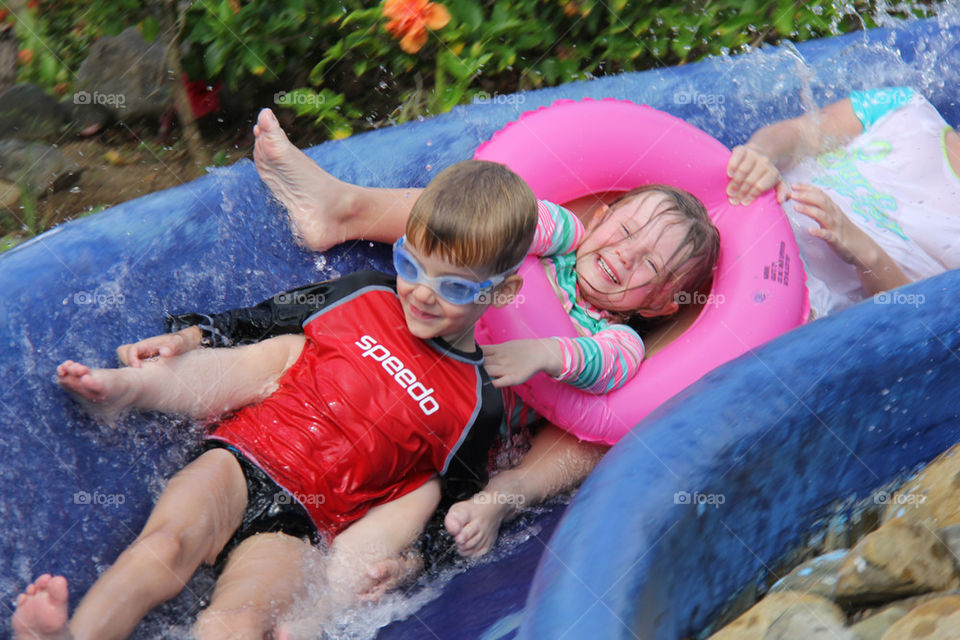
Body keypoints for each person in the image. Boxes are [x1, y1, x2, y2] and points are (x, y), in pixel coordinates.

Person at [12, 159, 538, 640]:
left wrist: (415, 562)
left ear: (502, 292)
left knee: (237, 621)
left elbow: (451, 508)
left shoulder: (477, 404)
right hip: (241, 460)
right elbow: (264, 319)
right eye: (411, 264)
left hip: (302, 525)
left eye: (454, 287)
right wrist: (192, 336)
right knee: (164, 546)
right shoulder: (363, 294)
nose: (421, 292)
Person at [250, 108, 720, 560]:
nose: (626, 254)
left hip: (461, 416)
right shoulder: (564, 235)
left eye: (651, 264)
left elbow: (606, 367)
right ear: (599, 218)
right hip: (424, 335)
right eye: (626, 230)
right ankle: (344, 210)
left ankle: (474, 513)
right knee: (475, 224)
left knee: (445, 482)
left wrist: (545, 353)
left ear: (660, 305)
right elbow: (499, 222)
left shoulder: (619, 338)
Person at [725, 86, 960, 318]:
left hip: (787, 290)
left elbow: (916, 317)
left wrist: (869, 256)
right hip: (746, 204)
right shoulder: (906, 108)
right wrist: (761, 154)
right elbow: (802, 133)